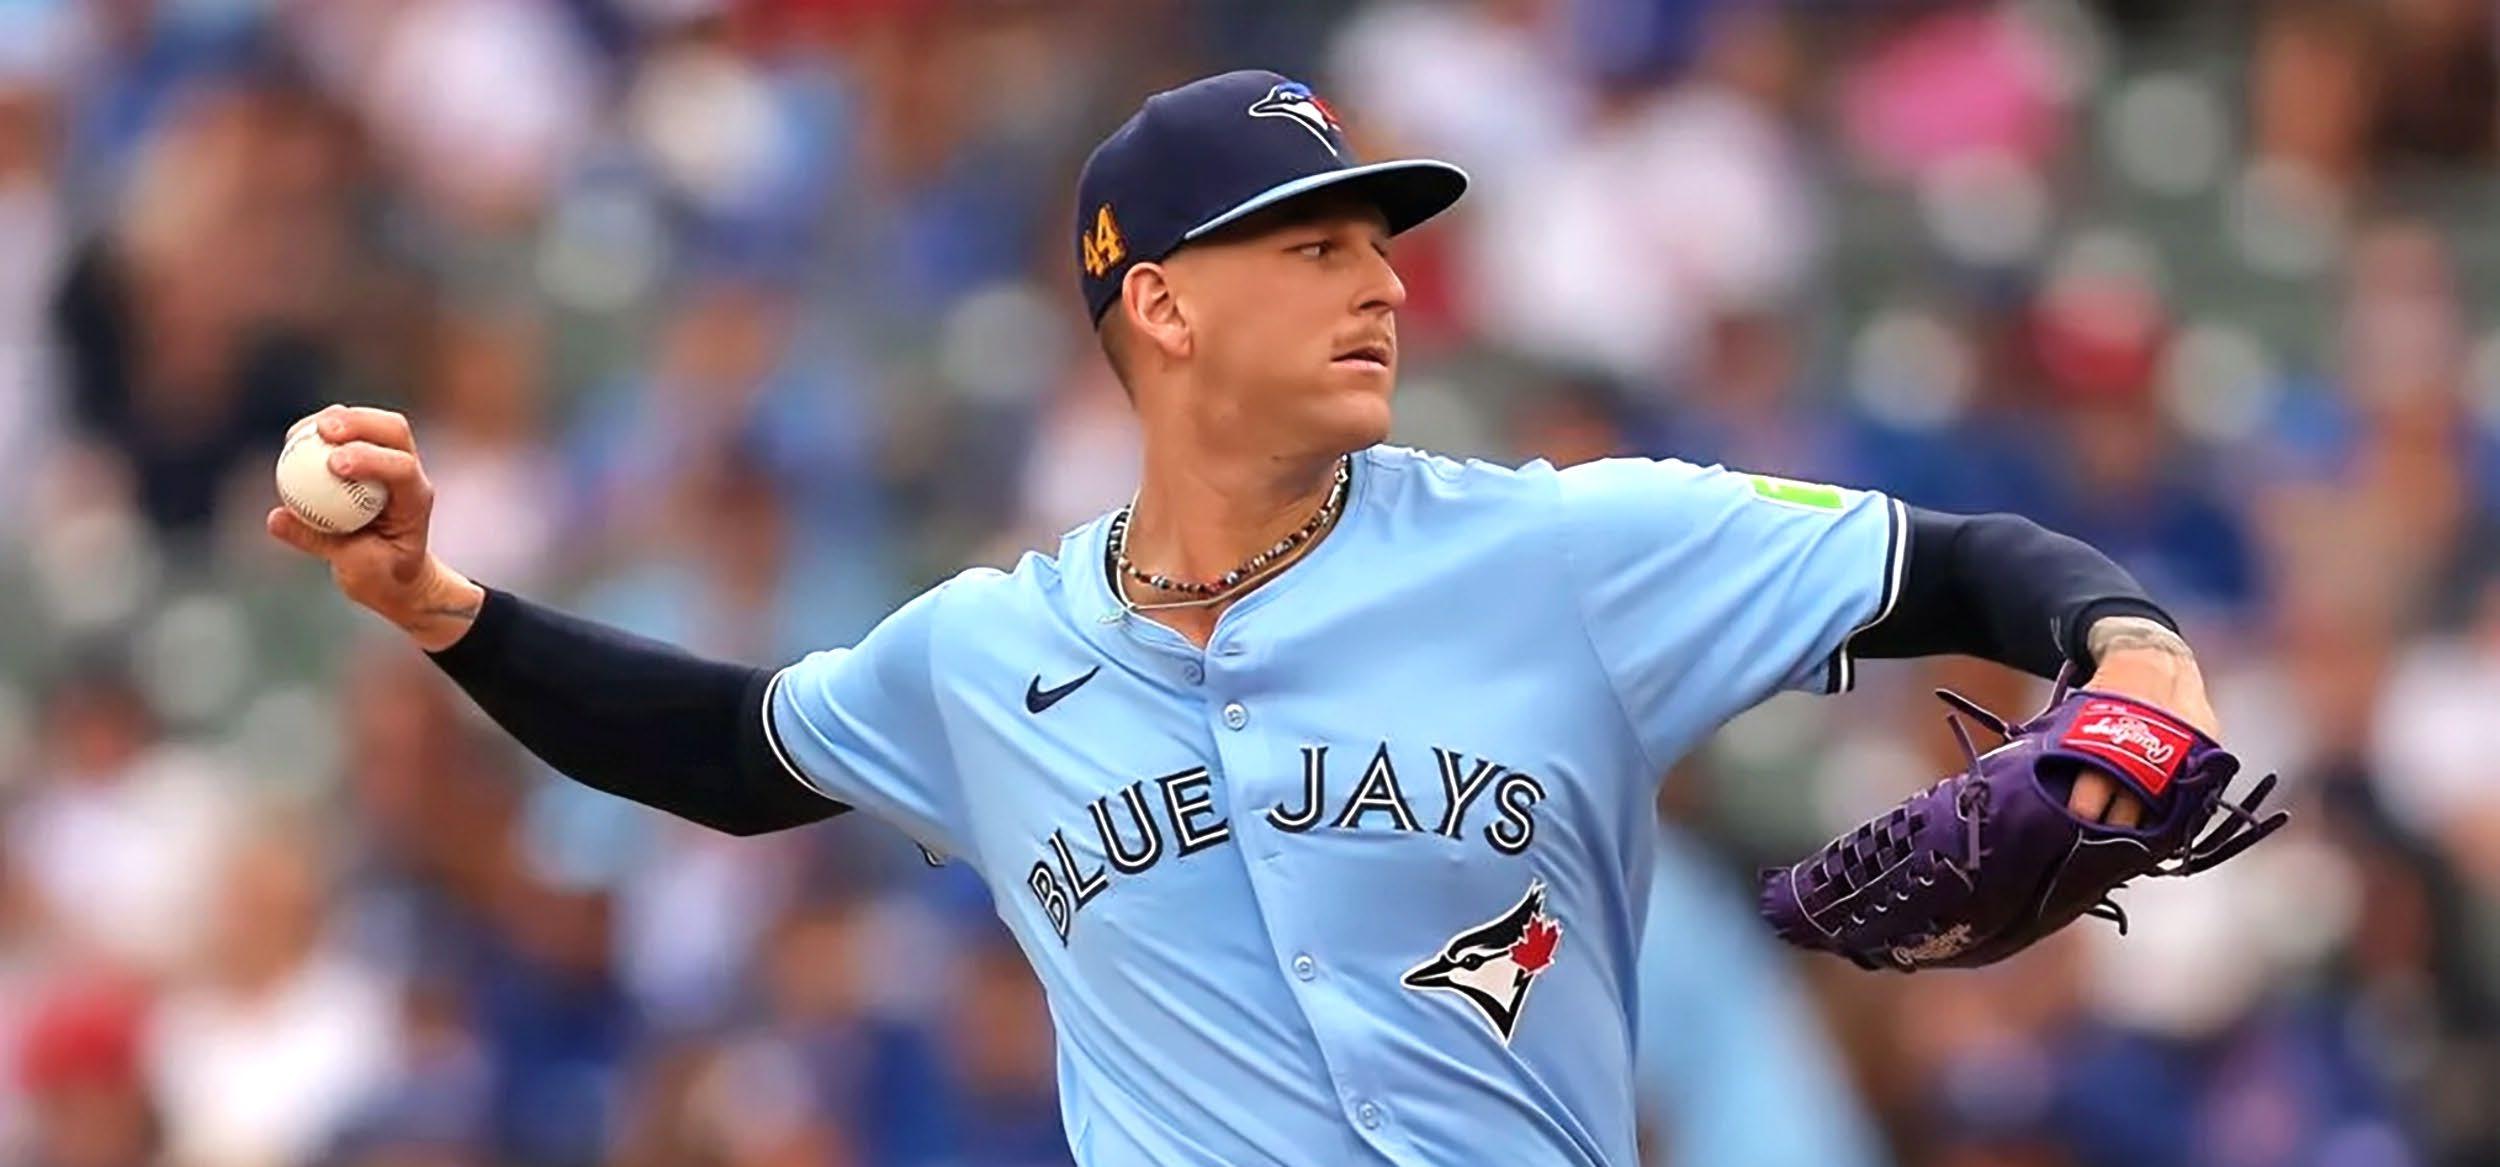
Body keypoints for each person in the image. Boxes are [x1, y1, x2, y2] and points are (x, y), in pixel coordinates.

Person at [269, 70, 2220, 1167]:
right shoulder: (986, 652)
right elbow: (727, 750)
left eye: (1381, 242)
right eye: (1315, 245)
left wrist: (2138, 661)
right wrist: (442, 607)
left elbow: (1962, 559)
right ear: (1163, 306)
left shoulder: (1557, 550)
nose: (1381, 282)